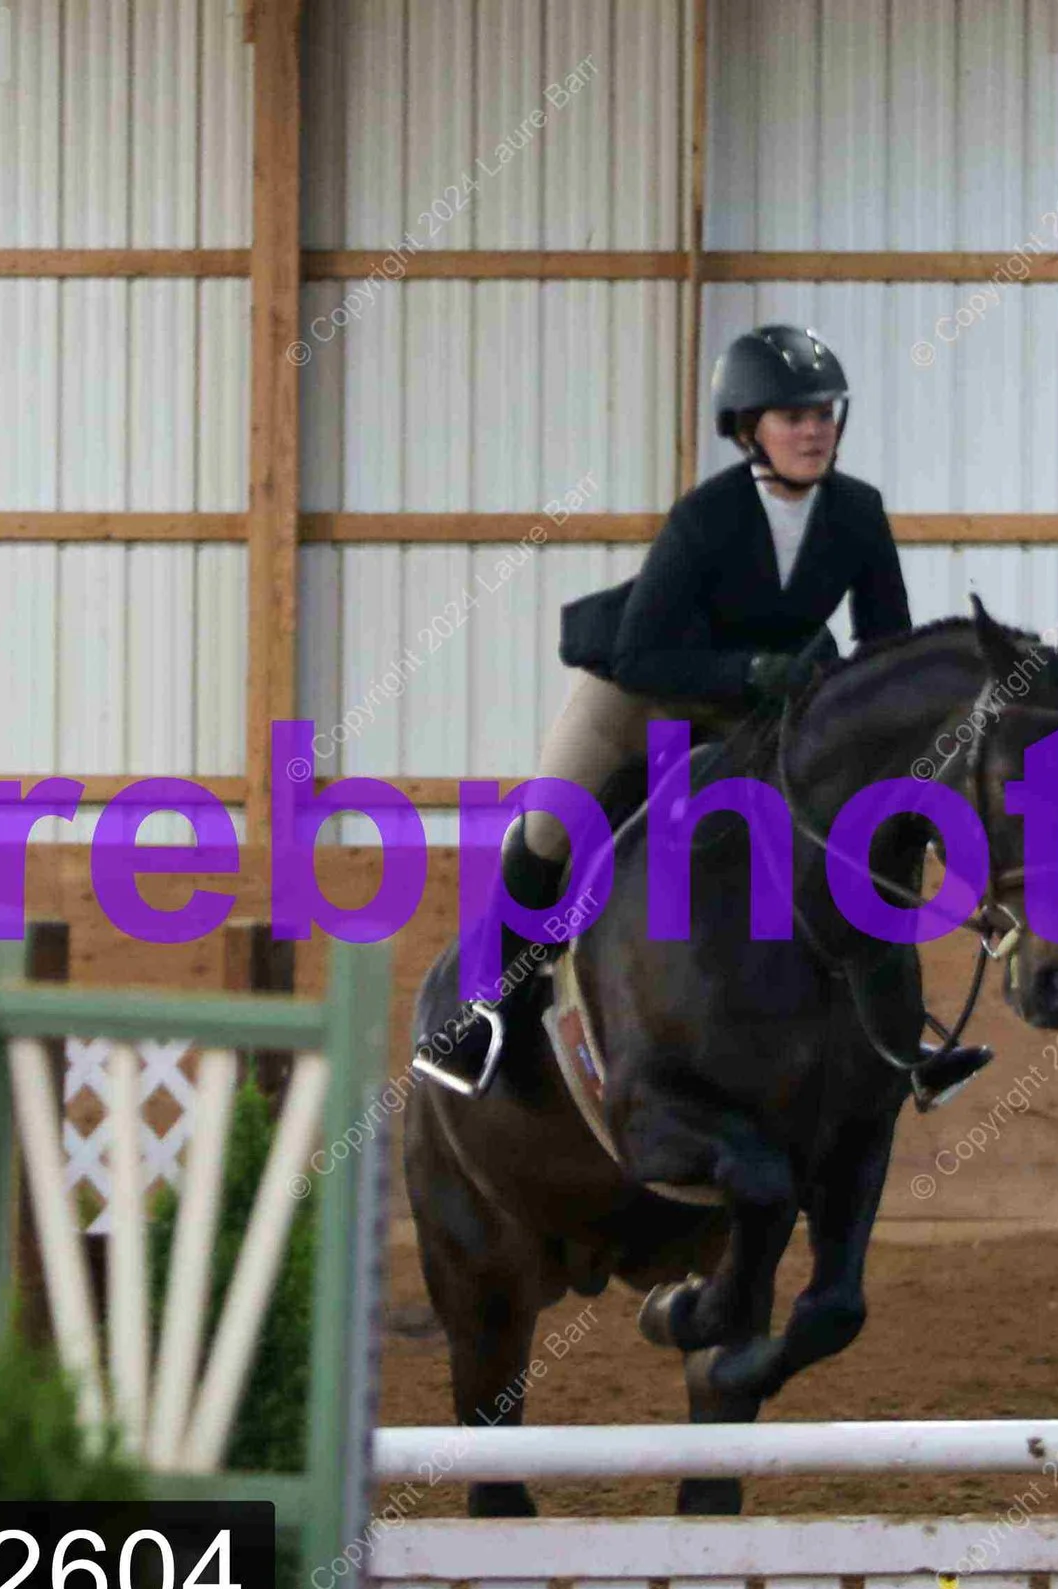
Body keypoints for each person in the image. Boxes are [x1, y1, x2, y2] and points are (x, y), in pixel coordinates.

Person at [415, 323, 980, 1101]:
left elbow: (886, 641)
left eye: (824, 413)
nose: (814, 430)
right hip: (645, 690)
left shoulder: (857, 511)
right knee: (549, 825)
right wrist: (750, 669)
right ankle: (483, 1011)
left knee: (851, 832)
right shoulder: (707, 517)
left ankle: (895, 1034)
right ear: (749, 429)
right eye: (794, 416)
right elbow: (643, 653)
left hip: (763, 703)